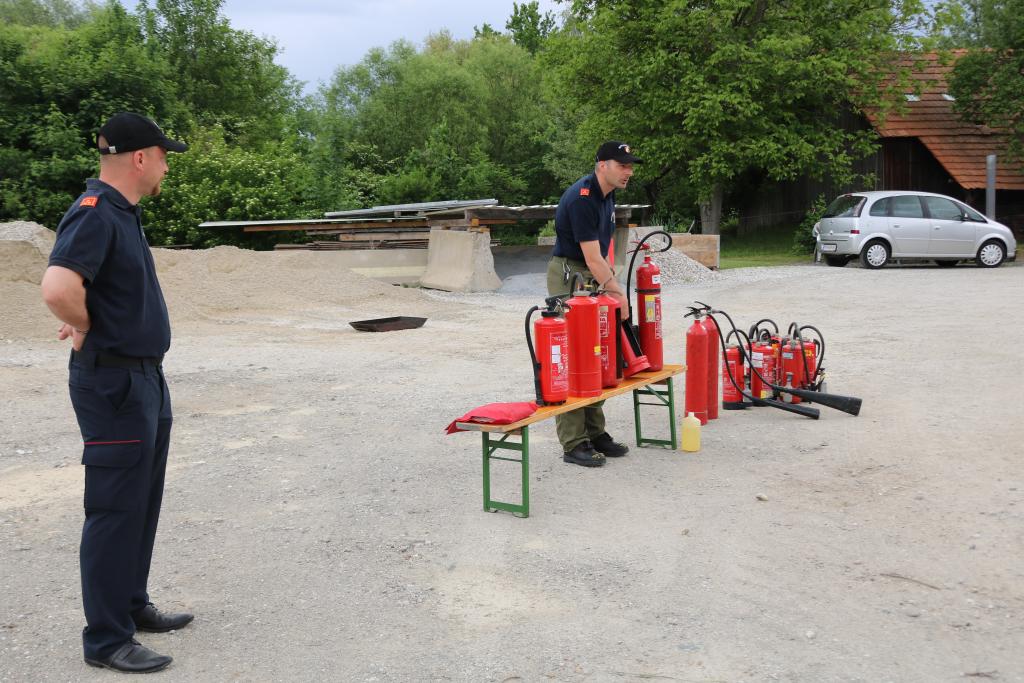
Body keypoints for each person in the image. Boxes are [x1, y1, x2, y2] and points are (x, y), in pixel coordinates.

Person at [40, 112, 193, 674]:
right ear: (140, 158)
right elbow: (58, 288)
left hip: (144, 377)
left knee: (140, 503)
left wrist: (92, 315)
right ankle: (106, 639)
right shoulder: (95, 212)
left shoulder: (122, 213)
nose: (166, 166)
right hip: (115, 382)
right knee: (113, 508)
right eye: (164, 156)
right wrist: (85, 323)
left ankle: (131, 605)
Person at [547, 140, 642, 467]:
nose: (628, 171)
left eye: (630, 166)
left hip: (592, 274)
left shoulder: (608, 193)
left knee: (597, 352)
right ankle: (574, 442)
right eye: (622, 165)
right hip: (570, 275)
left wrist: (609, 281)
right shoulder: (583, 198)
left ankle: (595, 432)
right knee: (573, 355)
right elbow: (590, 256)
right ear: (602, 165)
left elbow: (603, 250)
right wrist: (617, 293)